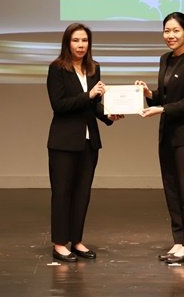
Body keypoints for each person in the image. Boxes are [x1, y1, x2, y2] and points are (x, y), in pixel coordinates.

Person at [46, 23, 122, 262]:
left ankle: (76, 241)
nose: (81, 45)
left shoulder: (93, 68)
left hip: (89, 142)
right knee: (62, 193)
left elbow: (92, 106)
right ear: (67, 43)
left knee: (82, 193)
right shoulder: (57, 68)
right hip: (64, 142)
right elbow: (59, 105)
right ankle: (60, 244)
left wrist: (108, 115)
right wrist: (88, 95)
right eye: (76, 40)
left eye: (85, 40)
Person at [135, 12, 184, 264]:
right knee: (172, 191)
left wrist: (162, 109)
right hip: (167, 135)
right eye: (167, 30)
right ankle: (179, 240)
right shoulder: (165, 59)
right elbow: (164, 96)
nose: (170, 35)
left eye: (176, 30)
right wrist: (148, 94)